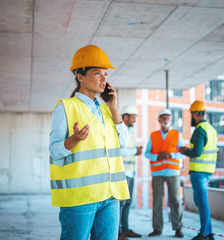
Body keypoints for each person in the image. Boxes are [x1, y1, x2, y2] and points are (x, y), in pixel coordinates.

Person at [49, 45, 130, 240]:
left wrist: (114, 107)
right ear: (80, 76)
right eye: (97, 73)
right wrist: (73, 140)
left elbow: (124, 143)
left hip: (110, 196)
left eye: (105, 74)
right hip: (80, 198)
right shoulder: (66, 107)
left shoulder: (106, 110)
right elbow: (54, 151)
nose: (104, 79)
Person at [179, 100, 218, 240]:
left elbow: (197, 153)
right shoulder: (211, 129)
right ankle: (210, 233)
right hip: (208, 171)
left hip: (199, 171)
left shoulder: (199, 130)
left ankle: (204, 233)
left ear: (195, 113)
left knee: (201, 202)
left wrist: (185, 151)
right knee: (200, 201)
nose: (192, 117)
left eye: (192, 114)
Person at [145, 108, 185, 238]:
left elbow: (182, 153)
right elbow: (146, 153)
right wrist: (156, 157)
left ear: (171, 120)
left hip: (172, 172)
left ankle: (178, 228)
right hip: (157, 173)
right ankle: (157, 228)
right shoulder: (153, 135)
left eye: (168, 117)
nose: (166, 119)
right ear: (159, 120)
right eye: (163, 117)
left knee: (175, 200)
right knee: (157, 200)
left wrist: (170, 154)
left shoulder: (177, 135)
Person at [118, 106, 143, 240]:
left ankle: (125, 229)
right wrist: (135, 151)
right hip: (122, 172)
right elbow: (118, 150)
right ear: (125, 116)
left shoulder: (131, 131)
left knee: (127, 202)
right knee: (120, 203)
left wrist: (136, 151)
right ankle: (117, 232)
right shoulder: (120, 130)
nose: (134, 120)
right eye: (133, 117)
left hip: (131, 172)